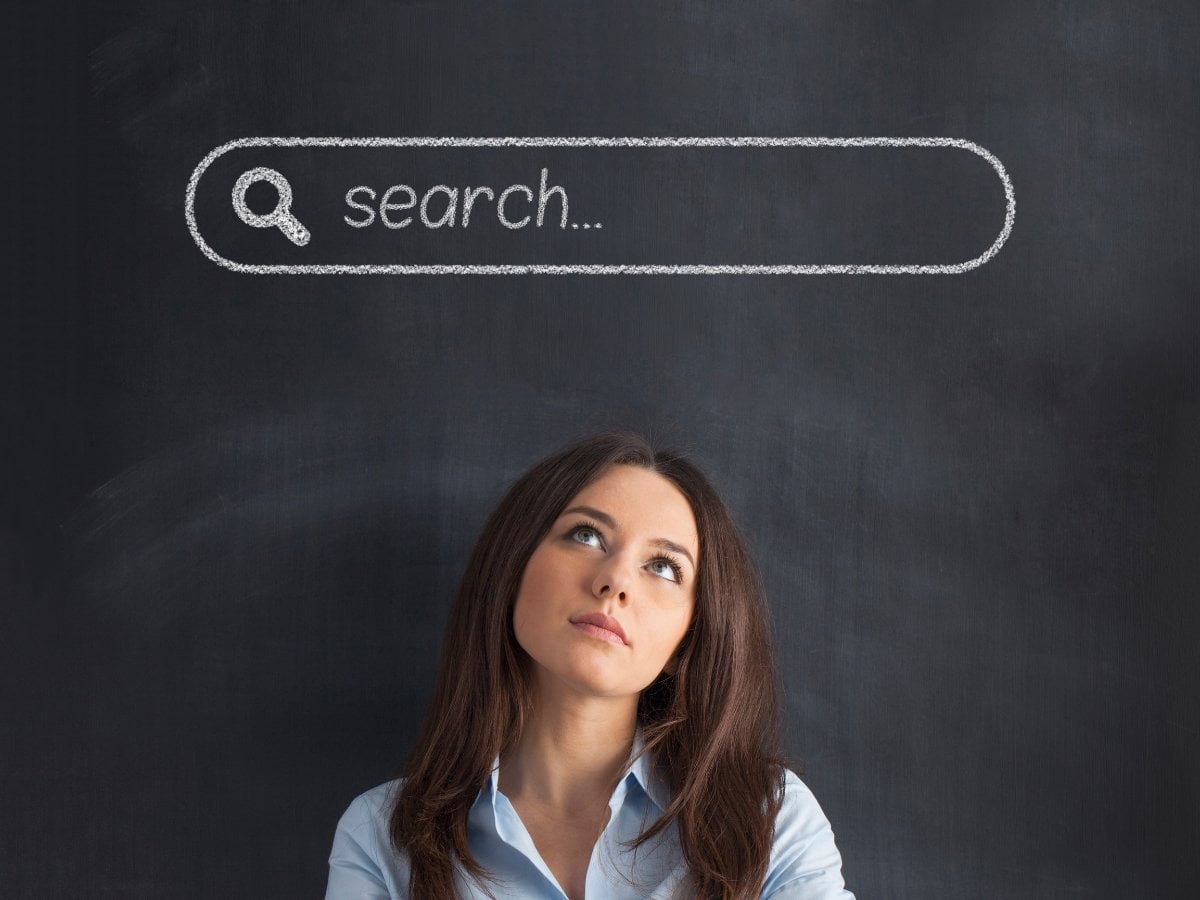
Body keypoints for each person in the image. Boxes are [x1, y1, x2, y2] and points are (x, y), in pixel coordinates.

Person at [324, 431, 854, 899]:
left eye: (665, 567)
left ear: (686, 642)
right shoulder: (381, 835)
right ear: (512, 568)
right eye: (586, 535)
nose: (616, 581)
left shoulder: (769, 820)